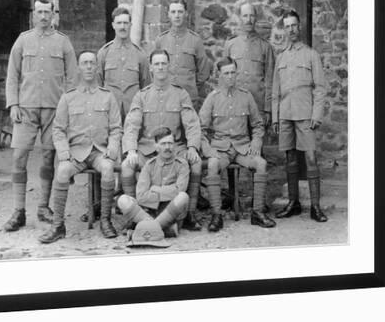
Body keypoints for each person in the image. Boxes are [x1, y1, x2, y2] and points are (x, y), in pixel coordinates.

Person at [3, 0, 77, 232]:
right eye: (39, 12)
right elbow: (12, 75)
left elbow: (73, 79)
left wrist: (66, 111)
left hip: (53, 111)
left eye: (47, 12)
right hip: (25, 109)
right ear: (33, 14)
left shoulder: (63, 42)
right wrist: (13, 104)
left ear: (53, 14)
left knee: (48, 158)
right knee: (19, 157)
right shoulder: (23, 41)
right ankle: (18, 211)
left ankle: (44, 207)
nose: (43, 16)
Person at [38, 51, 122, 243]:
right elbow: (58, 129)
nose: (89, 67)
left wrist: (112, 148)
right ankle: (58, 226)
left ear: (97, 67)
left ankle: (106, 221)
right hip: (76, 153)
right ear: (79, 67)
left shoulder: (107, 97)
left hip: (99, 152)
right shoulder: (68, 98)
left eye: (92, 63)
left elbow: (116, 128)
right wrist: (64, 153)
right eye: (85, 63)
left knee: (108, 168)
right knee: (62, 170)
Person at [122, 49, 203, 230]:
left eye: (163, 63)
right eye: (156, 64)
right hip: (148, 148)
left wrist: (192, 147)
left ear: (169, 66)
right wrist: (131, 150)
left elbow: (191, 123)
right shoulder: (141, 96)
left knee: (196, 163)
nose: (160, 67)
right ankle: (133, 216)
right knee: (127, 166)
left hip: (173, 148)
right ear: (150, 68)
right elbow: (132, 124)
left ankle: (189, 213)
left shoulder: (180, 94)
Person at [199, 57, 276, 230]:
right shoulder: (212, 98)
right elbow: (200, 129)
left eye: (233, 72)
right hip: (221, 149)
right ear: (219, 75)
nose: (230, 77)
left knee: (261, 164)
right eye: (226, 73)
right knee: (212, 165)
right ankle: (216, 215)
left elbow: (257, 124)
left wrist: (256, 143)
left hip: (243, 148)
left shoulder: (246, 96)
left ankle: (257, 213)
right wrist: (208, 149)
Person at [272, 10, 328, 222]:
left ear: (299, 26)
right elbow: (275, 90)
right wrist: (276, 117)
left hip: (306, 114)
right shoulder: (281, 57)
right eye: (287, 26)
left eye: (294, 25)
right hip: (286, 113)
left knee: (311, 158)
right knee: (290, 158)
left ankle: (315, 206)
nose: (291, 30)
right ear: (284, 29)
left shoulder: (311, 54)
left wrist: (317, 114)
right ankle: (293, 203)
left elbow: (320, 88)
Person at [117, 127, 189, 238]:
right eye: (163, 144)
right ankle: (162, 230)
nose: (167, 147)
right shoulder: (149, 165)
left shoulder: (182, 164)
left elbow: (179, 191)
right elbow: (141, 196)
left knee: (183, 197)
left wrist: (154, 189)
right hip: (149, 213)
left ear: (174, 145)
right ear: (156, 146)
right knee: (123, 200)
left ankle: (142, 231)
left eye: (170, 143)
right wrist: (168, 191)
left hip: (170, 212)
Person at [154, 0, 211, 110]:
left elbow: (204, 71)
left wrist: (191, 86)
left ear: (186, 14)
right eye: (173, 12)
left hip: (189, 98)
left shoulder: (195, 40)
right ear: (168, 15)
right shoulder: (161, 40)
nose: (177, 15)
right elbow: (155, 69)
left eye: (180, 12)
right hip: (166, 98)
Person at [224, 3, 275, 127]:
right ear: (240, 18)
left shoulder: (265, 46)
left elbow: (270, 80)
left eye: (251, 16)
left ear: (256, 18)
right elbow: (224, 77)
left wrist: (268, 108)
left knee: (257, 144)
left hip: (258, 106)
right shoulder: (231, 45)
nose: (248, 20)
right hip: (235, 104)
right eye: (245, 16)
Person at [97, 6, 151, 121]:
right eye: (119, 23)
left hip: (133, 114)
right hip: (109, 113)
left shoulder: (140, 54)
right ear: (113, 25)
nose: (122, 27)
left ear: (131, 25)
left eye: (126, 23)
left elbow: (146, 88)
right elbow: (98, 85)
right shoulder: (104, 53)